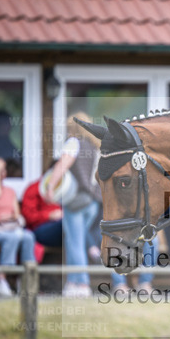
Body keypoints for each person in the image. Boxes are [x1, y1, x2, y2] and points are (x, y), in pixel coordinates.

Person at [44, 113, 126, 298]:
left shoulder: (73, 143)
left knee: (75, 243)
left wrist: (50, 187)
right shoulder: (96, 148)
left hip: (76, 201)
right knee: (76, 240)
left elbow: (61, 166)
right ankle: (73, 282)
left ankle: (81, 284)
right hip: (92, 202)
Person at [0, 156, 36, 296]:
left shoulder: (10, 191)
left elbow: (16, 214)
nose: (1, 173)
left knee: (28, 236)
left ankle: (25, 279)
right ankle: (0, 277)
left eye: (3, 170)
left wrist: (9, 217)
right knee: (13, 237)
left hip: (9, 227)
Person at [21, 170, 63, 262]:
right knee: (68, 223)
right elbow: (29, 217)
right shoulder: (34, 188)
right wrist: (49, 216)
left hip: (61, 232)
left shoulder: (65, 188)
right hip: (39, 231)